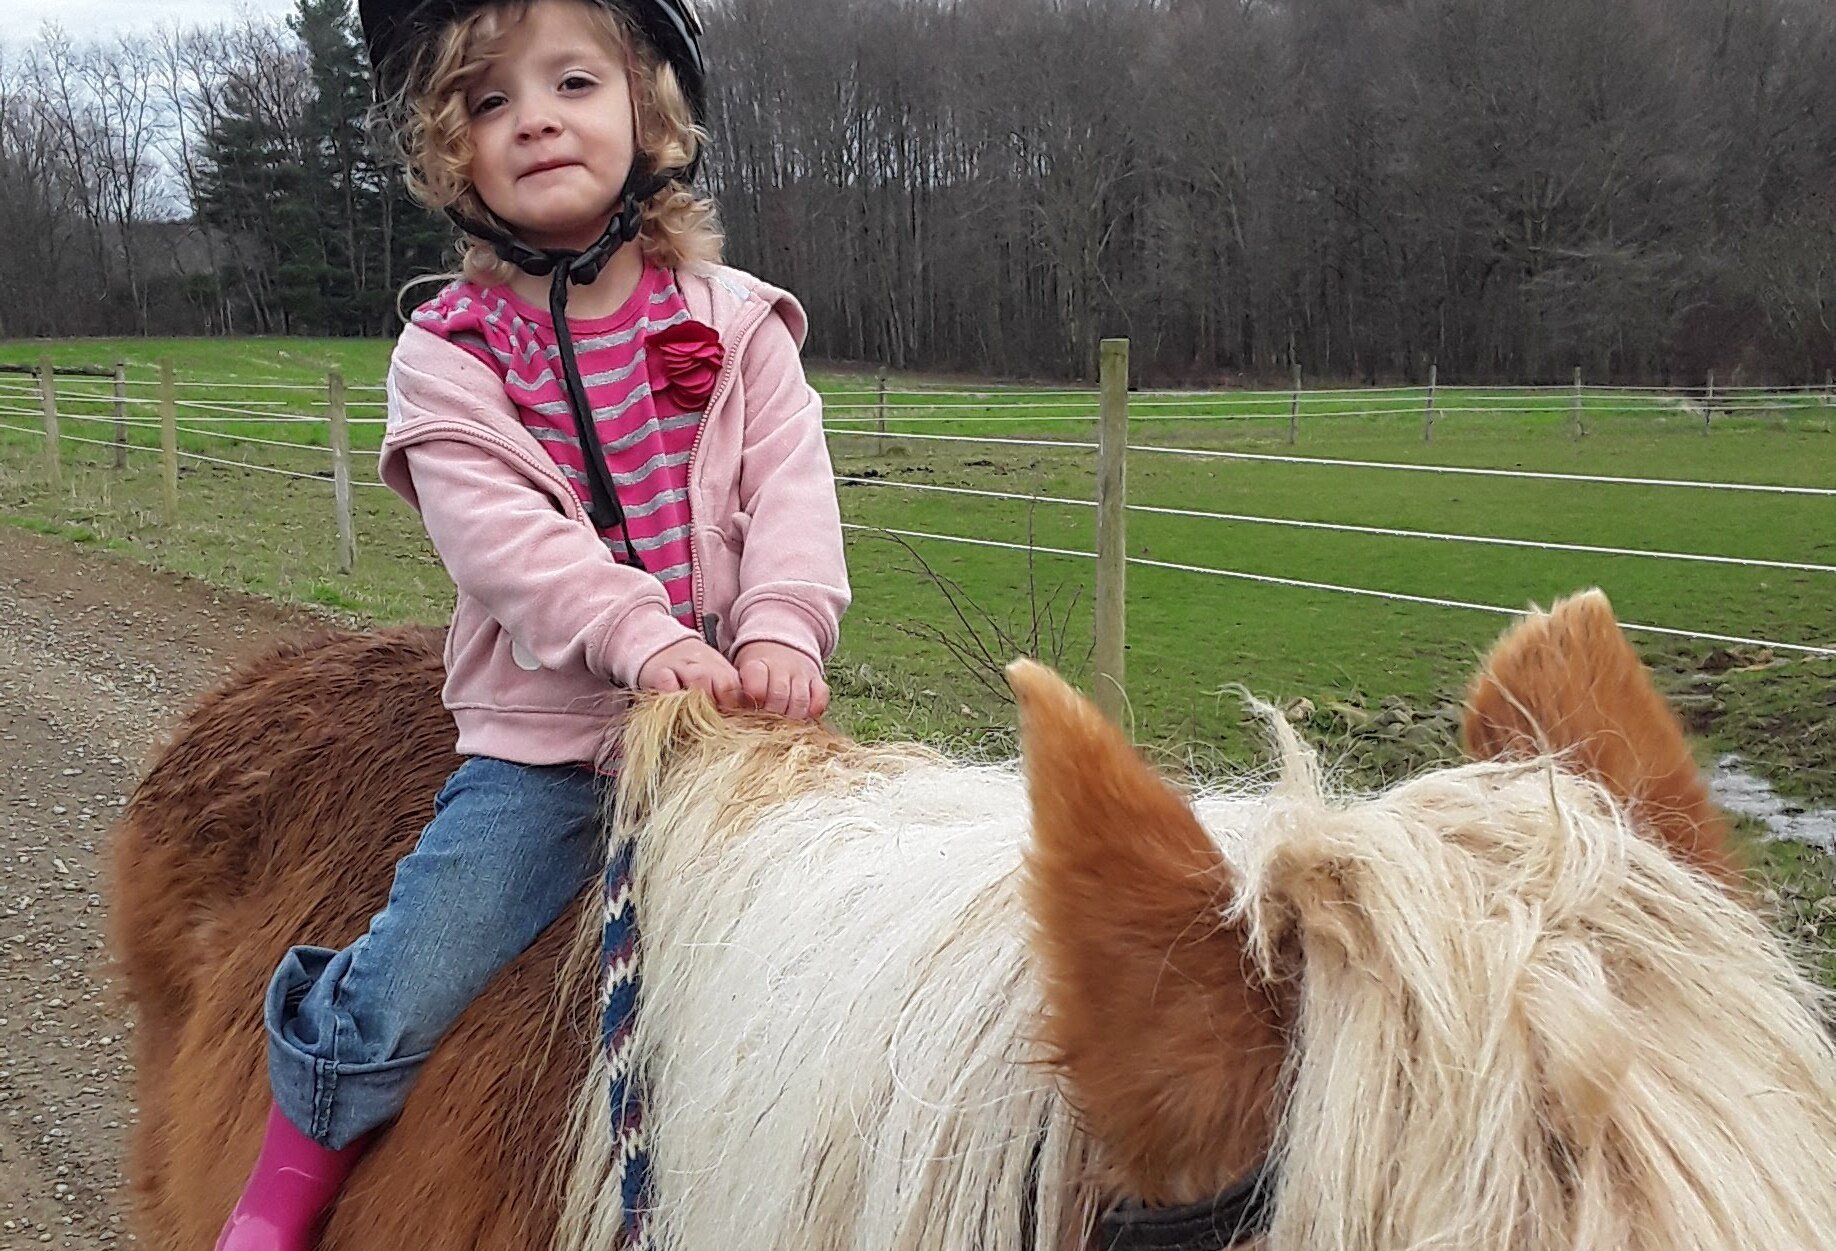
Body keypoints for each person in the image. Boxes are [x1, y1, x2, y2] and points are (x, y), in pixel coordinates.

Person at [212, 2, 849, 1246]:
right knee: (412, 976)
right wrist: (643, 637)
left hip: (738, 732)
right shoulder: (449, 357)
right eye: (493, 101)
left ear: (646, 112)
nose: (538, 117)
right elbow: (505, 543)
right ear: (456, 155)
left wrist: (779, 626)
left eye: (572, 82)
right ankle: (283, 1184)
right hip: (552, 753)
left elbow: (793, 489)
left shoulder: (741, 325)